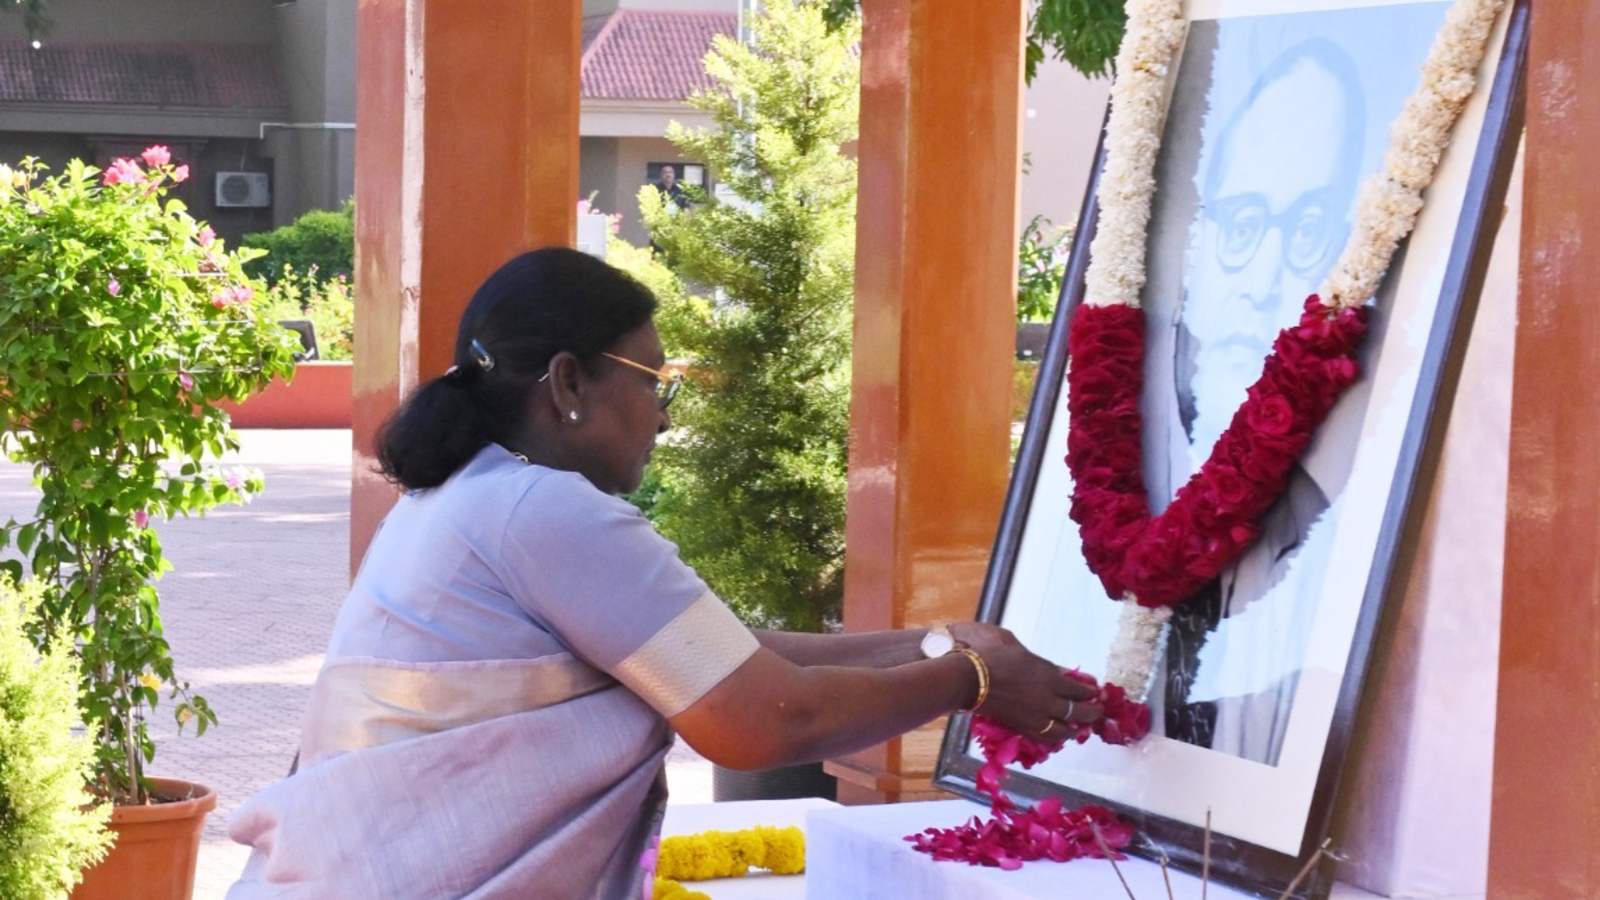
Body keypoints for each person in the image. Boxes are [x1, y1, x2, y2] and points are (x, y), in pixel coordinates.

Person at [225, 247, 1098, 899]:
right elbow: (765, 720)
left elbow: (715, 654)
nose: (665, 420)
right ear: (569, 382)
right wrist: (971, 679)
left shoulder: (468, 497)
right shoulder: (544, 510)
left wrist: (935, 642)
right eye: (655, 382)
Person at [1151, 38, 1368, 766]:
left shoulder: (1346, 526)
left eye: (1306, 230)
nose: (1268, 274)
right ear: (1198, 246)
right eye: (1243, 225)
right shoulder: (1132, 480)